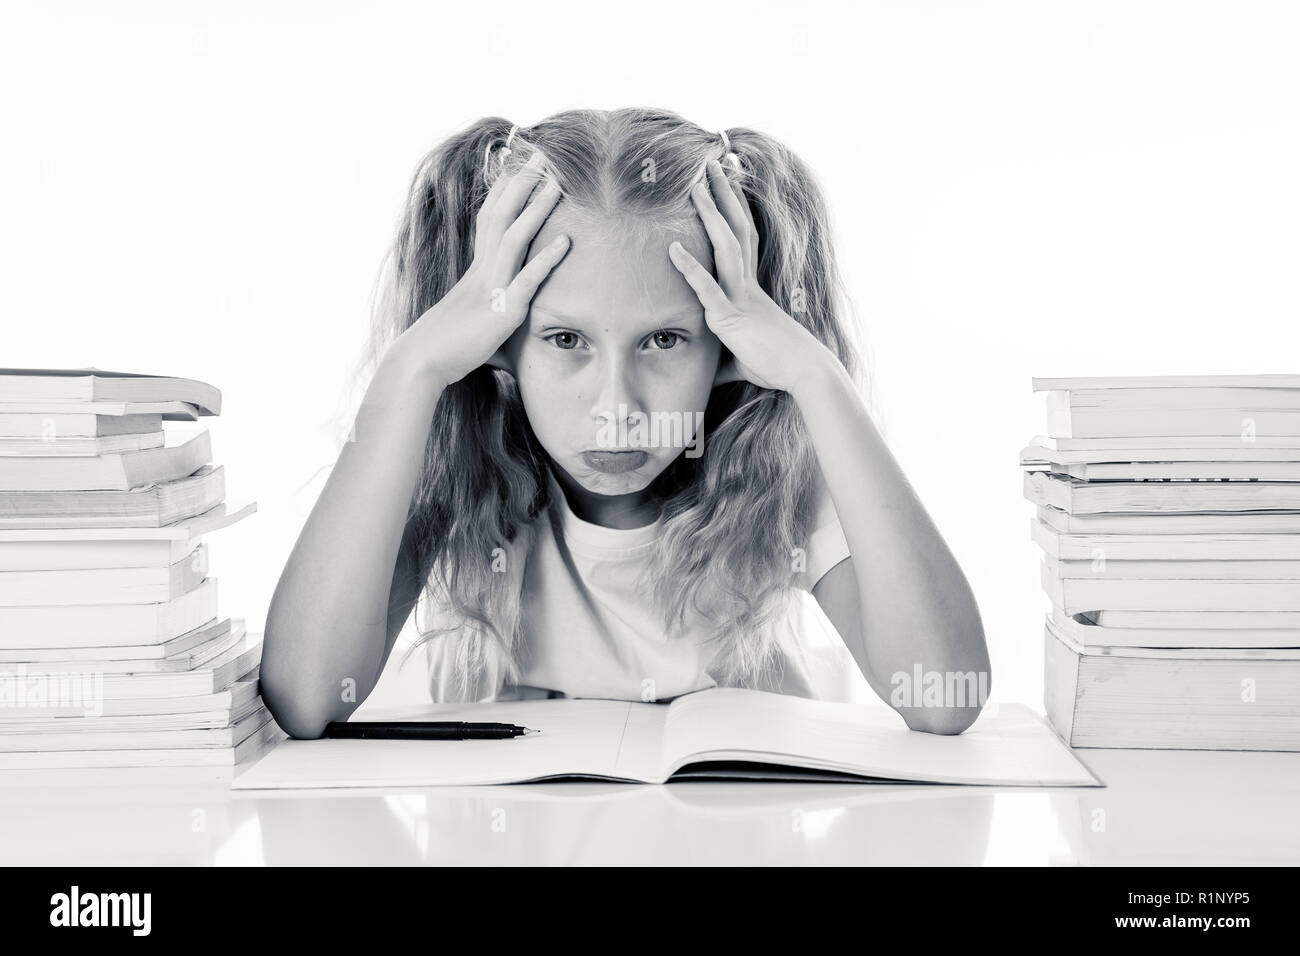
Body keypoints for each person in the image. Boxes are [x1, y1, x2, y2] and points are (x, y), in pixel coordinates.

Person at [261, 107, 991, 739]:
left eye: (664, 341)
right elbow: (304, 697)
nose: (618, 412)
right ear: (498, 342)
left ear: (730, 344)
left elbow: (944, 697)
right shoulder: (457, 471)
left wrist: (818, 378)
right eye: (566, 340)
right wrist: (411, 367)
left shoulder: (773, 471)